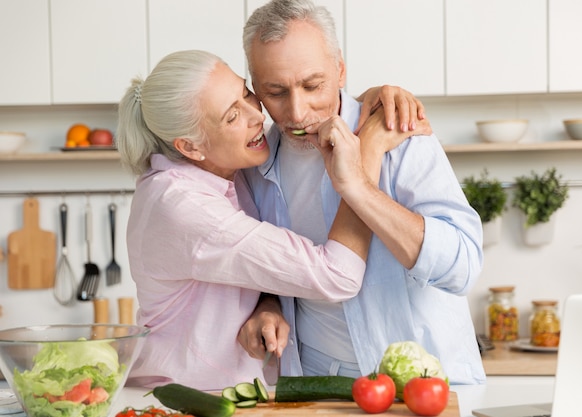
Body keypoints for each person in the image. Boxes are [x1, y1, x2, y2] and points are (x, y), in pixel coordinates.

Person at [115, 49, 422, 390]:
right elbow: (337, 276)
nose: (257, 116)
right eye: (232, 117)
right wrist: (368, 150)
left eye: (247, 94)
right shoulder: (185, 206)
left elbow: (234, 270)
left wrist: (267, 302)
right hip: (185, 399)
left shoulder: (226, 174)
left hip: (225, 392)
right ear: (189, 146)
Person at [239, 0, 486, 385]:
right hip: (316, 386)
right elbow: (276, 266)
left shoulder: (398, 133)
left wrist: (357, 186)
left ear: (340, 70)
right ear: (255, 89)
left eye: (312, 85)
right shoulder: (256, 165)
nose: (298, 112)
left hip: (422, 385)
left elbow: (461, 268)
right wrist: (268, 304)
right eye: (276, 92)